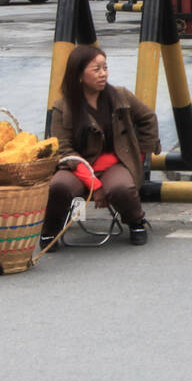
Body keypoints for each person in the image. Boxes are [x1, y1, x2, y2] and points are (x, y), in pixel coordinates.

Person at [40, 46, 161, 248]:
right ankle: (50, 231)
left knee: (120, 187)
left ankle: (136, 222)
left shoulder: (121, 96)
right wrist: (94, 185)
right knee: (59, 186)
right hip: (78, 166)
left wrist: (139, 155)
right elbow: (63, 149)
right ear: (79, 74)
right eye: (96, 69)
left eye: (105, 68)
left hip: (116, 163)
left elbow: (148, 118)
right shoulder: (63, 106)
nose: (103, 74)